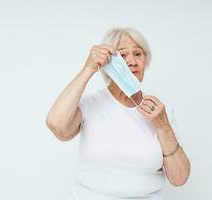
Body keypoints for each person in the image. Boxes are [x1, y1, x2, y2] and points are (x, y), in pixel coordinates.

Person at [46, 27, 190, 200]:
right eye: (122, 55)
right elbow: (56, 125)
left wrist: (163, 125)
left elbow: (180, 178)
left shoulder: (160, 112)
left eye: (138, 54)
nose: (132, 61)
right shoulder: (91, 104)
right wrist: (88, 69)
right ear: (107, 62)